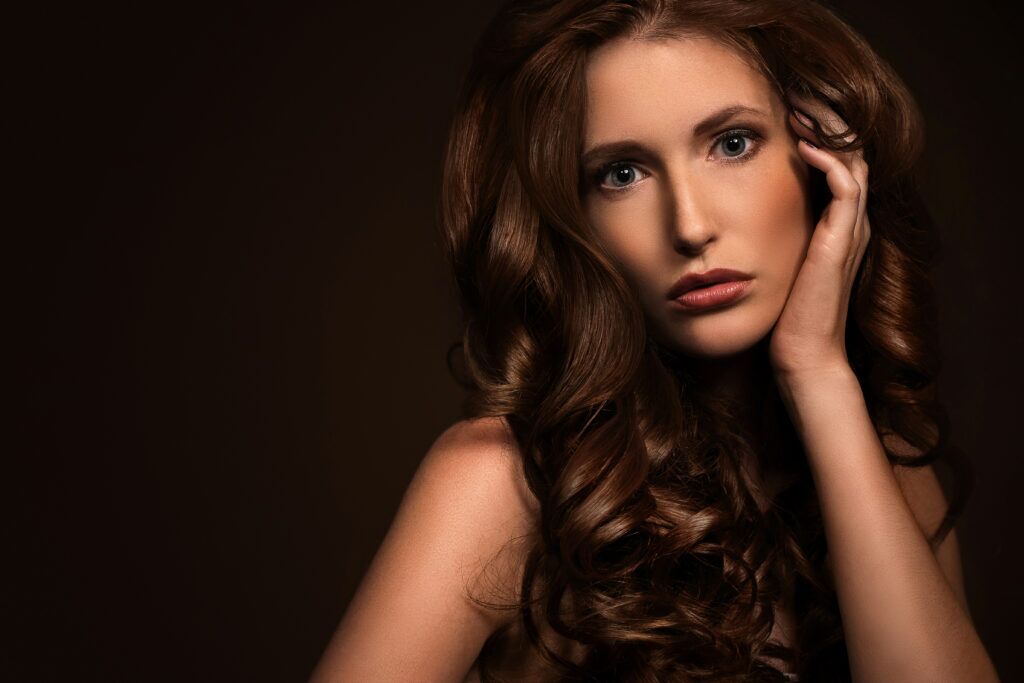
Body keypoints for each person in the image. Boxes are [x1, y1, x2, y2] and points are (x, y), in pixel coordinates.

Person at [311, 0, 999, 680]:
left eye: (732, 144)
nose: (690, 226)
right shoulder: (501, 481)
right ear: (574, 218)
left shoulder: (889, 466)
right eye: (622, 174)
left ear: (824, 163)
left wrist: (817, 374)